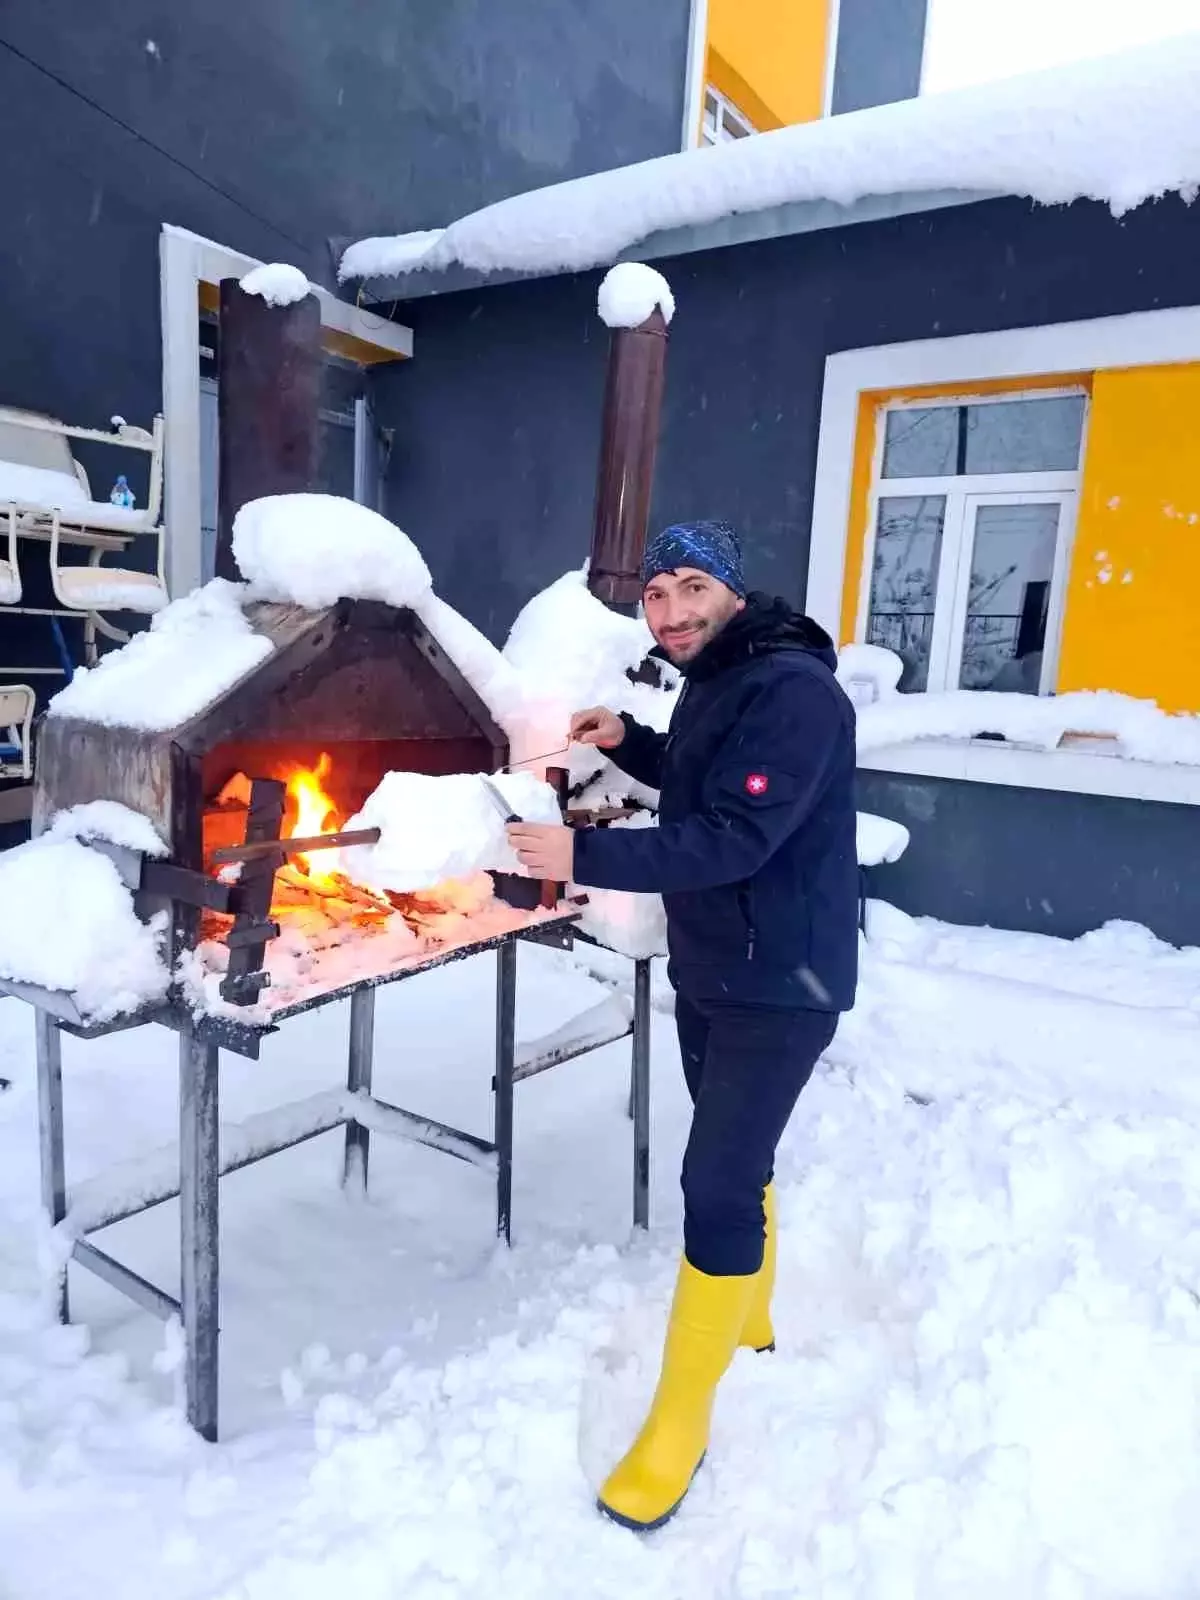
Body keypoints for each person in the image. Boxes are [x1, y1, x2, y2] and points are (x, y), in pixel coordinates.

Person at [507, 518, 858, 1532]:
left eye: (690, 586)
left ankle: (680, 1422)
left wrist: (576, 858)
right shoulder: (720, 681)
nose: (670, 611)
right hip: (721, 966)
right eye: (656, 595)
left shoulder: (795, 693)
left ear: (733, 591)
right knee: (737, 1157)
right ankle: (748, 1317)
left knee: (713, 1181)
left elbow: (735, 835)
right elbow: (708, 783)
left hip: (781, 983)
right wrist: (638, 742)